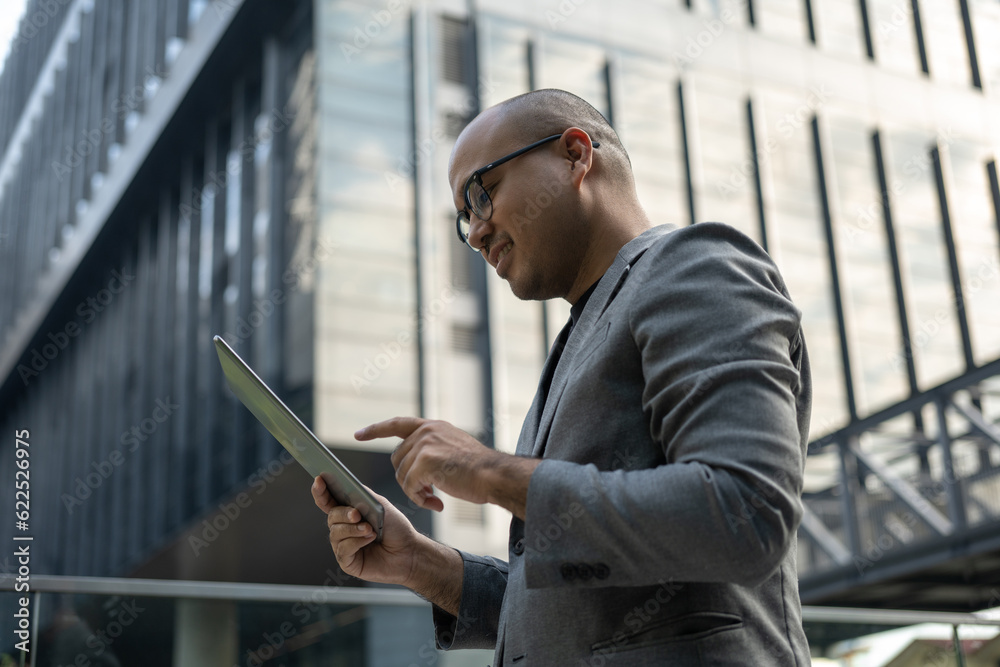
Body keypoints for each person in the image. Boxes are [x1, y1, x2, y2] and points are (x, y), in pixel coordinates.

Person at [312, 88, 812, 665]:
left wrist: (488, 470)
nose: (475, 233)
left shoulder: (696, 266)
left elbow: (745, 513)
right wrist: (420, 563)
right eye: (464, 219)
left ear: (575, 155)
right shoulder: (575, 343)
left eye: (481, 195)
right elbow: (575, 614)